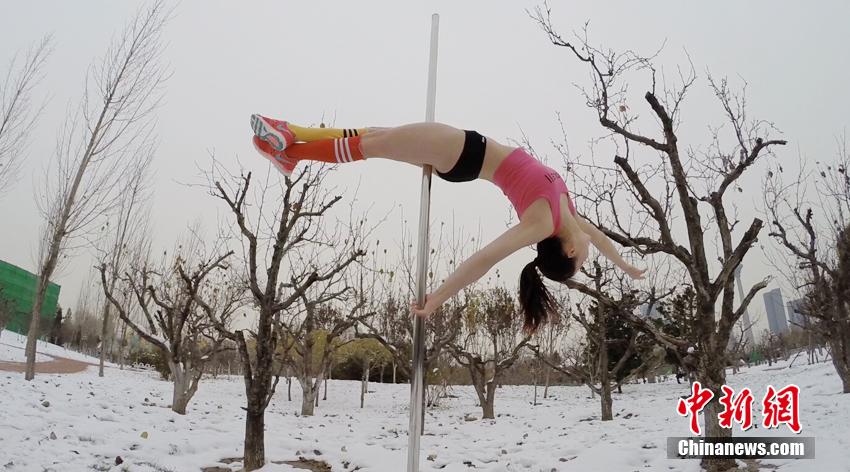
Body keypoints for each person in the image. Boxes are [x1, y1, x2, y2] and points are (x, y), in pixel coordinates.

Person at [249, 115, 646, 332]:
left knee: (371, 144)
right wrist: (625, 265)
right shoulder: (569, 218)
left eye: (581, 263)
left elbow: (484, 258)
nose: (590, 254)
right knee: (376, 134)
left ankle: (293, 151)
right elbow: (601, 237)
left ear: (570, 251)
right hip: (467, 150)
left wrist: (438, 297)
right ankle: (290, 137)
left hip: (463, 154)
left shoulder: (543, 222)